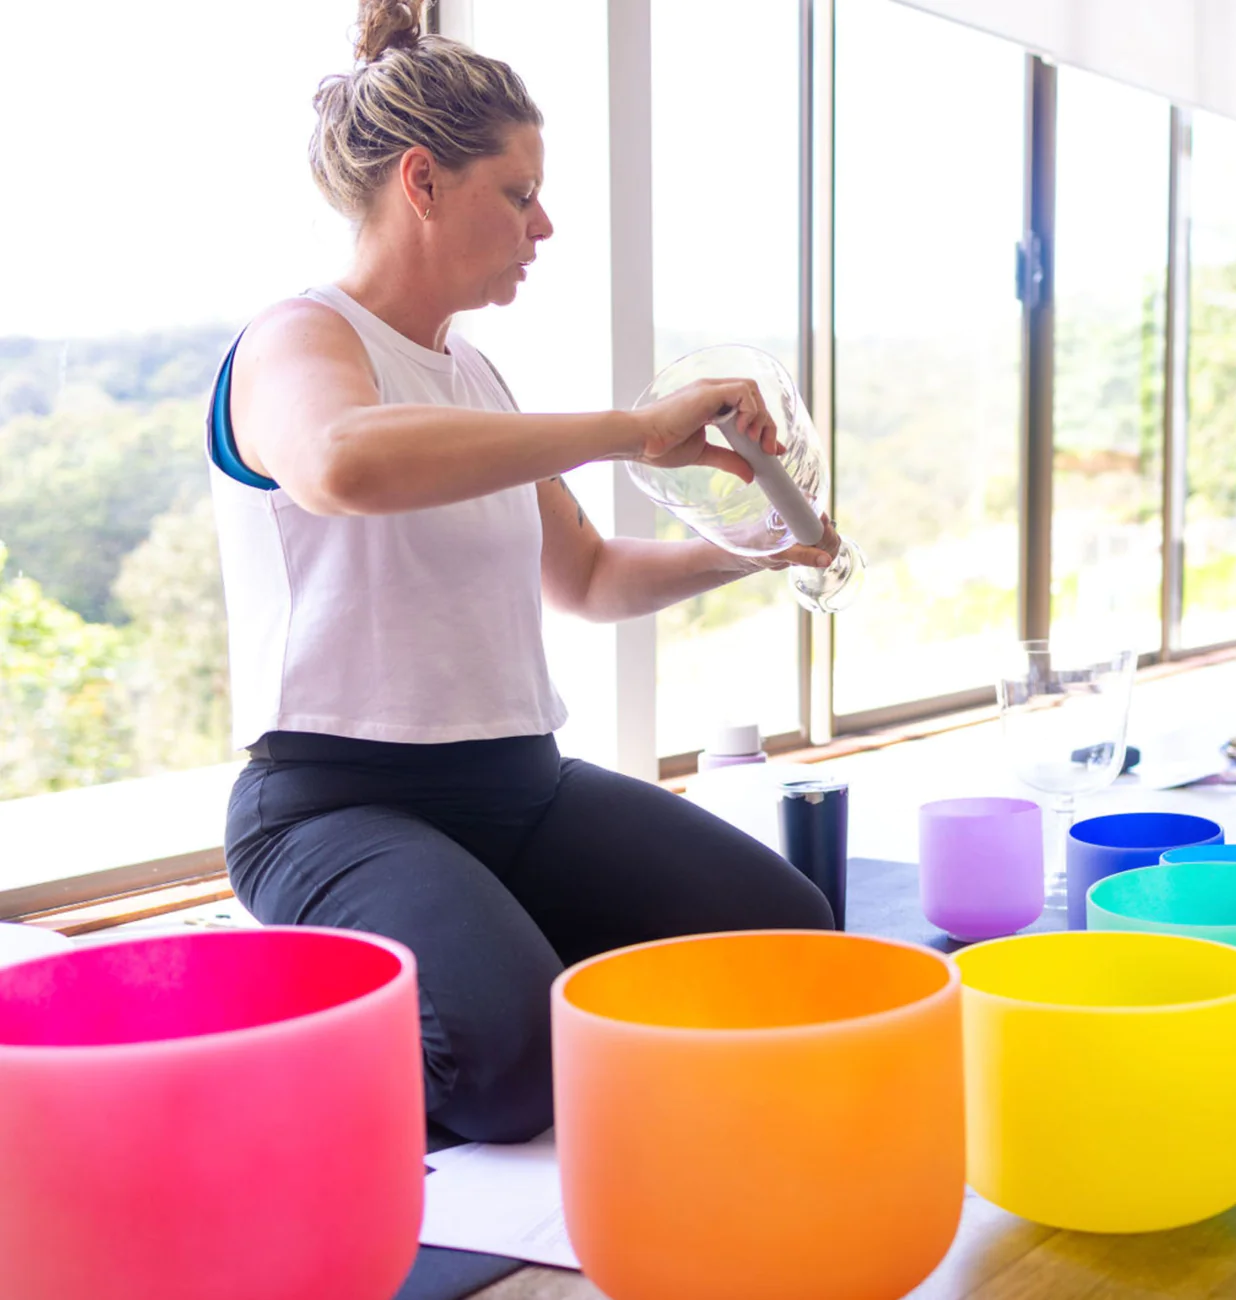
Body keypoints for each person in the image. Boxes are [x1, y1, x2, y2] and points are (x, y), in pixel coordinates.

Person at [211, 0, 838, 1144]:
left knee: (788, 941)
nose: (542, 225)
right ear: (423, 181)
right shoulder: (298, 339)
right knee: (505, 1071)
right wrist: (628, 429)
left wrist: (757, 548)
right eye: (518, 192)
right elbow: (340, 463)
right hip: (333, 805)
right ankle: (288, 1036)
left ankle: (492, 957)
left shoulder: (479, 377)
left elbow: (589, 577)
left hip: (521, 788)